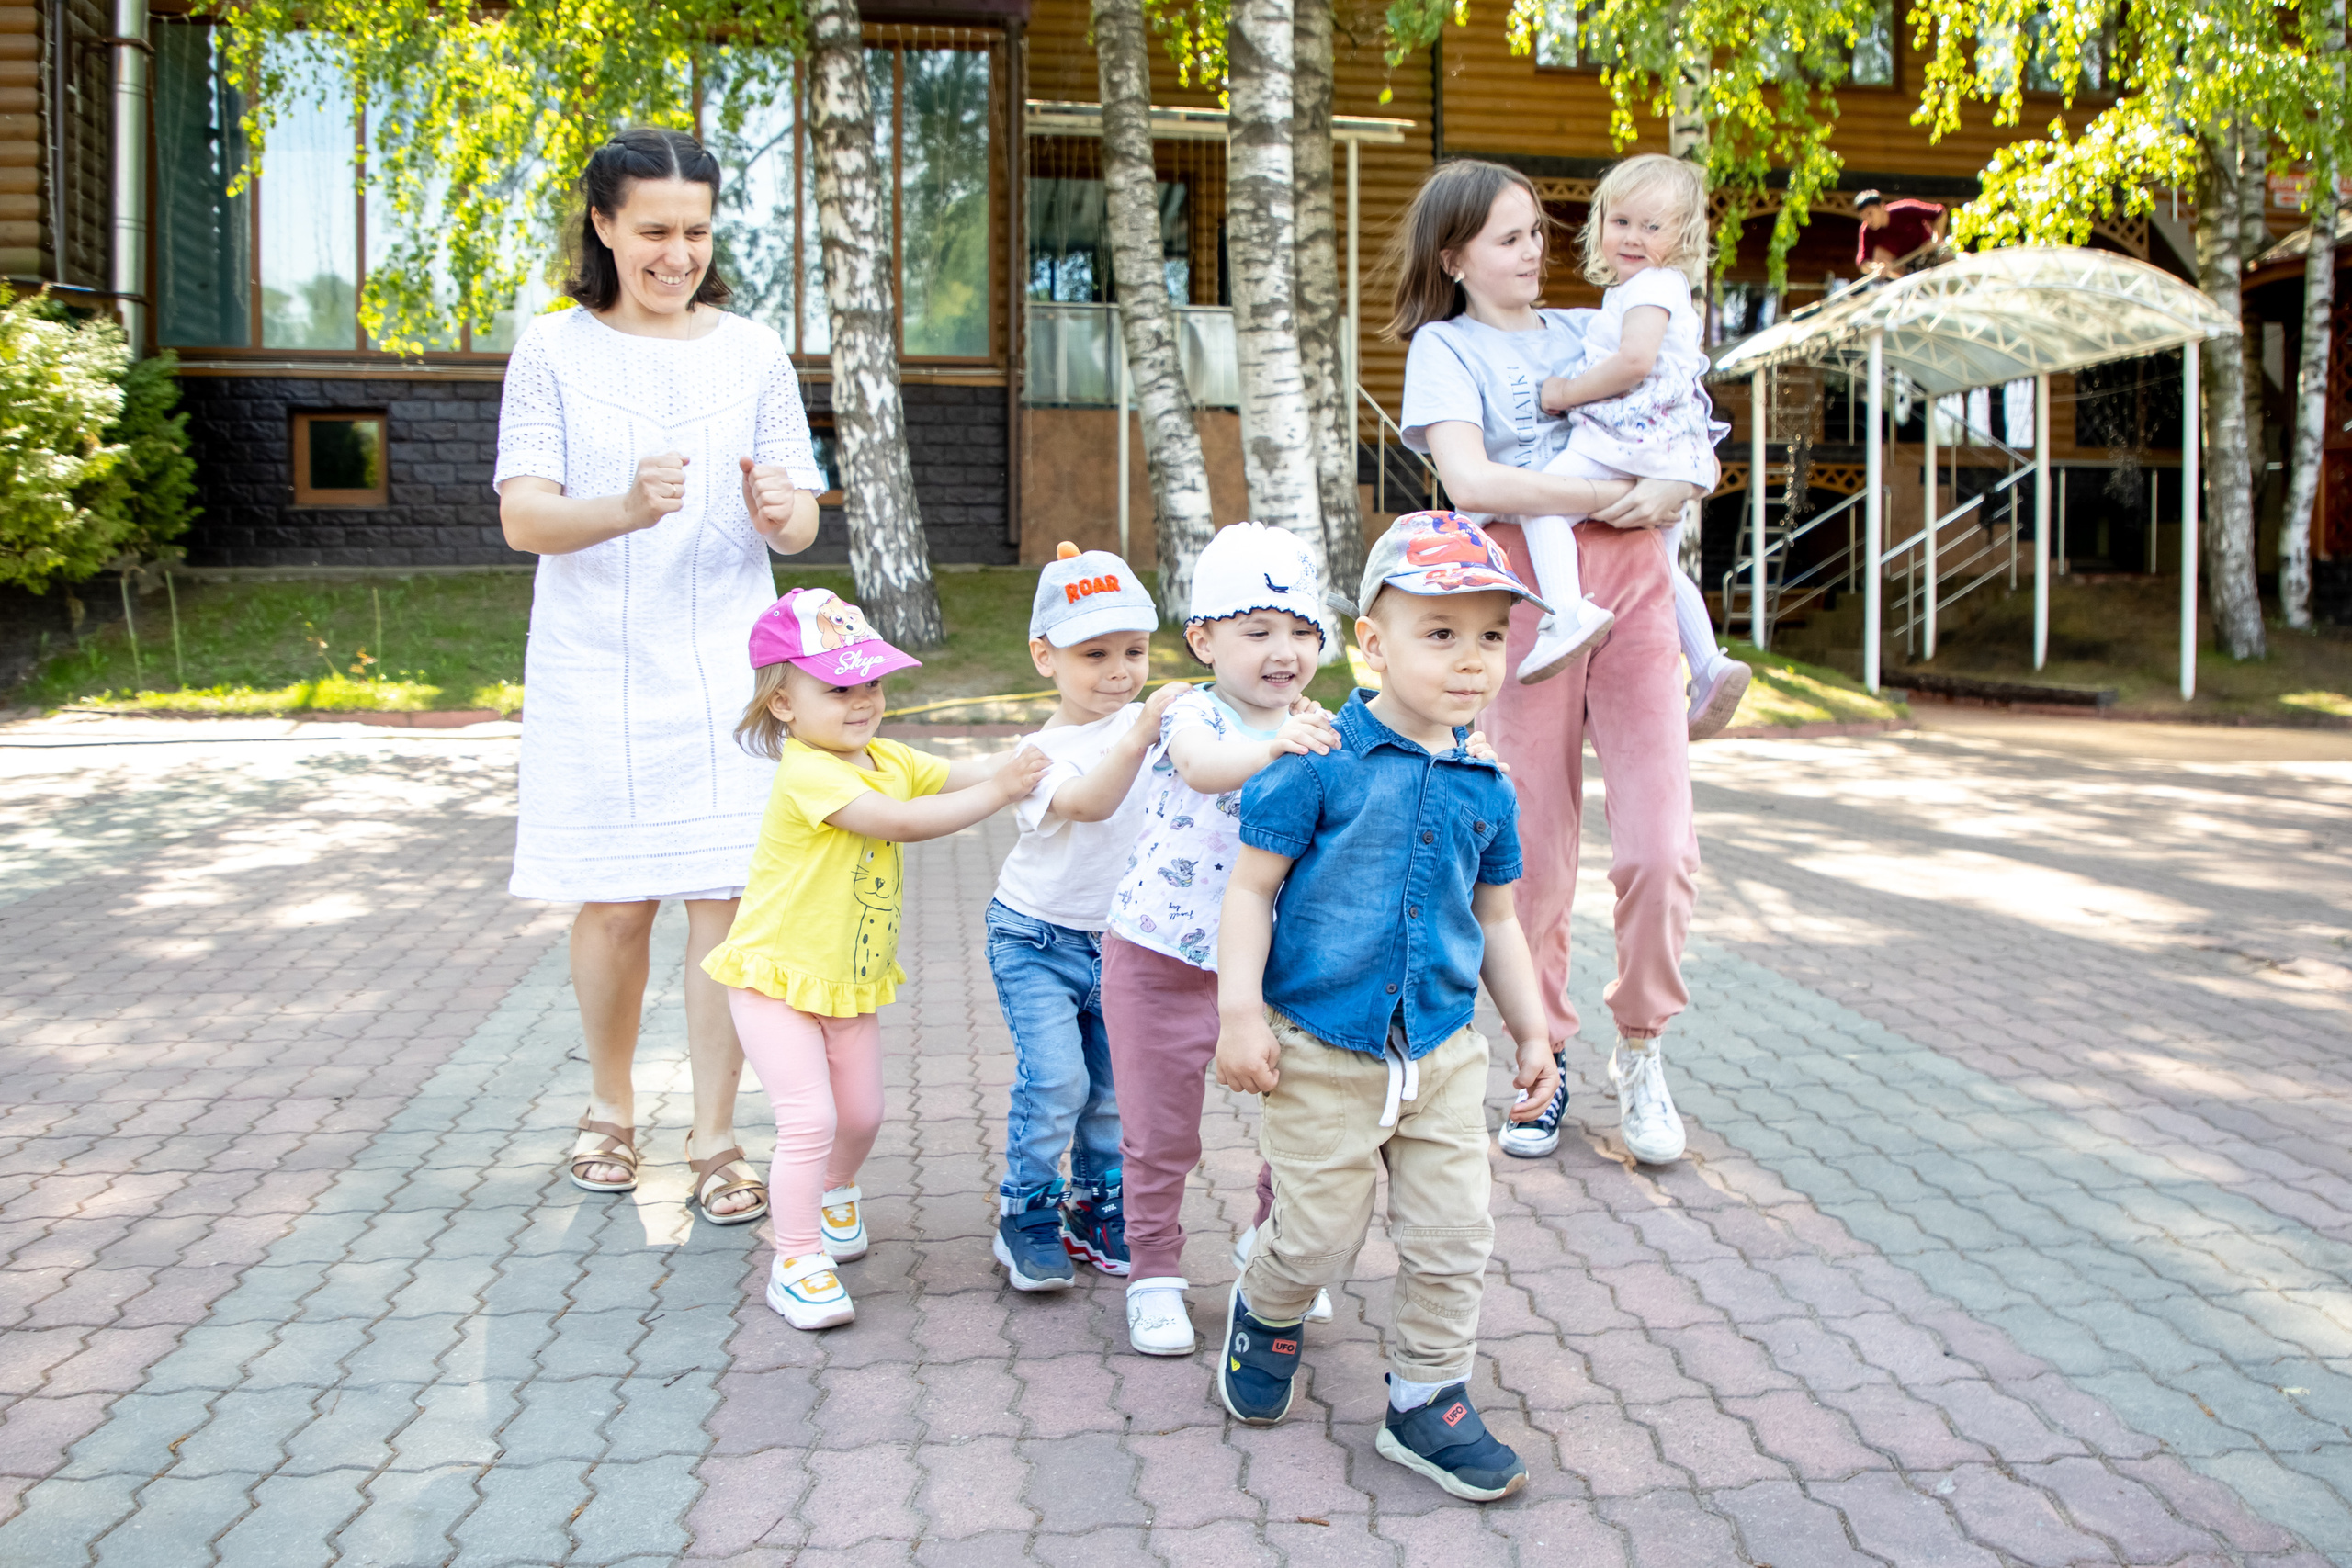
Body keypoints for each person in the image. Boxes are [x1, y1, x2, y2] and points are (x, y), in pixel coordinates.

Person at [495, 127, 824, 1224]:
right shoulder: (552, 349)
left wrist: (787, 512)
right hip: (597, 665)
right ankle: (610, 1111)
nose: (676, 253)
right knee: (617, 902)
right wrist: (625, 509)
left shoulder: (754, 352)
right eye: (652, 231)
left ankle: (719, 1136)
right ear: (602, 226)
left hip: (728, 668)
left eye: (693, 231)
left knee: (725, 904)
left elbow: (803, 510)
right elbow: (523, 517)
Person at [1212, 513, 1559, 1503]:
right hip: (1322, 1049)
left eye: (1489, 635)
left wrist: (1533, 1031)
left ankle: (1427, 1400)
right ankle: (1268, 1306)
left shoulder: (1486, 784)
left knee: (1455, 1239)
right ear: (1373, 645)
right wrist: (1240, 1015)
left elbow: (1496, 919)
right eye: (1438, 633)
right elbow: (1248, 892)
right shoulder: (1314, 760)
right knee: (1317, 1239)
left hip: (1444, 1054)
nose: (1470, 659)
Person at [1394, 157, 1708, 1168]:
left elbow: (1676, 420)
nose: (1535, 252)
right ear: (1456, 256)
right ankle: (1541, 1057)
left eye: (1537, 231)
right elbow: (1470, 479)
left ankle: (1644, 1047)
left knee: (1660, 850)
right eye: (1509, 237)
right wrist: (1590, 494)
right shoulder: (1442, 351)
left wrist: (1671, 493)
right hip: (1522, 607)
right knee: (1529, 857)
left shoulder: (1595, 324)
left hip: (1634, 590)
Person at [703, 588, 1050, 1329]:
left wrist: (1040, 751)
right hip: (775, 977)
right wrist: (1001, 790)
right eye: (838, 687)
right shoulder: (810, 772)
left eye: (872, 683)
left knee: (861, 1116)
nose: (861, 700)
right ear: (784, 705)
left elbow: (958, 772)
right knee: (810, 1117)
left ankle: (831, 1190)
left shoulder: (885, 755)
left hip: (847, 979)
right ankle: (794, 1258)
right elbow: (899, 820)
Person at [1101, 524, 1340, 1357]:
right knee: (1161, 1131)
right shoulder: (1190, 710)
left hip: (1271, 968)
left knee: (1298, 1125)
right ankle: (1155, 1273)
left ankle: (1266, 1250)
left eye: (1303, 632)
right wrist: (1274, 744)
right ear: (1202, 638)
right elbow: (1203, 766)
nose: (1286, 651)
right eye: (1259, 630)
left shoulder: (1317, 720)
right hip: (1158, 957)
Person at [985, 545, 1184, 1292]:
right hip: (1036, 938)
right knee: (1058, 1081)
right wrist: (1143, 732)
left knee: (1113, 1088)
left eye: (1134, 651)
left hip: (1126, 943)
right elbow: (1089, 801)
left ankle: (1096, 1204)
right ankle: (1025, 1209)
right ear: (1045, 656)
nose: (1120, 670)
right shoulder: (1038, 753)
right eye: (1094, 652)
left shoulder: (1158, 722)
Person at [1521, 154, 1751, 742]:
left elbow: (1634, 362)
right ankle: (1709, 665)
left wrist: (1565, 393)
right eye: (1620, 221)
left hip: (1629, 439)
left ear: (1682, 236)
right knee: (1659, 565)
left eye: (1652, 227)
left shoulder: (1651, 286)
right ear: (1599, 223)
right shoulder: (1657, 287)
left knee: (1541, 503)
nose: (1632, 237)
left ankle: (1567, 614)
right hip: (1668, 450)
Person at [1855, 189, 1947, 276]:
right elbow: (1863, 263)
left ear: (1882, 206)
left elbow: (1940, 212)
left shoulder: (1905, 209)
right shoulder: (1867, 231)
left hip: (1931, 252)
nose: (1868, 220)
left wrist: (1936, 240)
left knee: (1947, 255)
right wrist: (1876, 268)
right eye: (1863, 217)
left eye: (1870, 213)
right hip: (1909, 268)